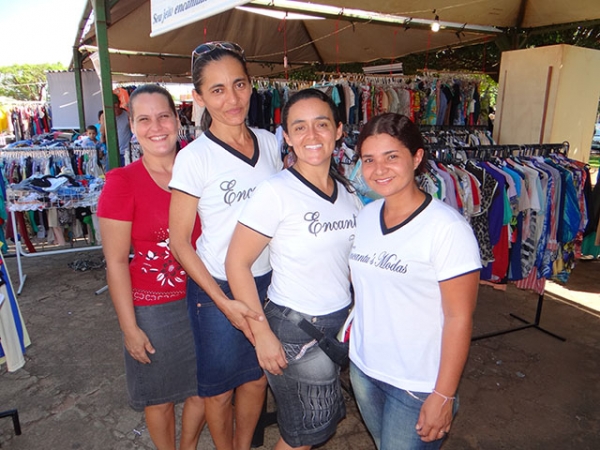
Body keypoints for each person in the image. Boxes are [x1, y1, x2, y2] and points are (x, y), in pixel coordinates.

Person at [225, 88, 362, 450]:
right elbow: (236, 263)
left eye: (321, 124)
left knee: (318, 427)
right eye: (299, 127)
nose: (312, 135)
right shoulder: (275, 192)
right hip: (294, 330)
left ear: (339, 131)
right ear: (286, 137)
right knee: (301, 437)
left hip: (337, 324)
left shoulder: (349, 193)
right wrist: (261, 333)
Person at [168, 42, 283, 450]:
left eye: (239, 84)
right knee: (218, 390)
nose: (232, 99)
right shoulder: (194, 158)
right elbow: (179, 242)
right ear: (198, 97)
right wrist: (222, 301)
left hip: (269, 282)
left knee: (255, 379)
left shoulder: (271, 143)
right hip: (216, 286)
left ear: (252, 85)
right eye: (216, 90)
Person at [347, 113, 481, 450]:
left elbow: (459, 317)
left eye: (392, 157)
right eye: (369, 160)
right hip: (364, 369)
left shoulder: (447, 230)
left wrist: (443, 394)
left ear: (416, 157)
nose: (379, 170)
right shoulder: (365, 217)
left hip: (416, 383)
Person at [97, 84, 205, 450]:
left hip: (205, 299)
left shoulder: (202, 165)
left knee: (204, 387)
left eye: (164, 116)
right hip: (154, 308)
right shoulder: (122, 182)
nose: (156, 126)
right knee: (159, 397)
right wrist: (130, 328)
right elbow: (114, 261)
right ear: (132, 124)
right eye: (144, 119)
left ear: (178, 119)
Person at [101, 93, 132, 167]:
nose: (116, 109)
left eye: (117, 106)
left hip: (125, 152)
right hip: (112, 152)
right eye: (113, 107)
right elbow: (102, 135)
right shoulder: (105, 116)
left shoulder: (127, 115)